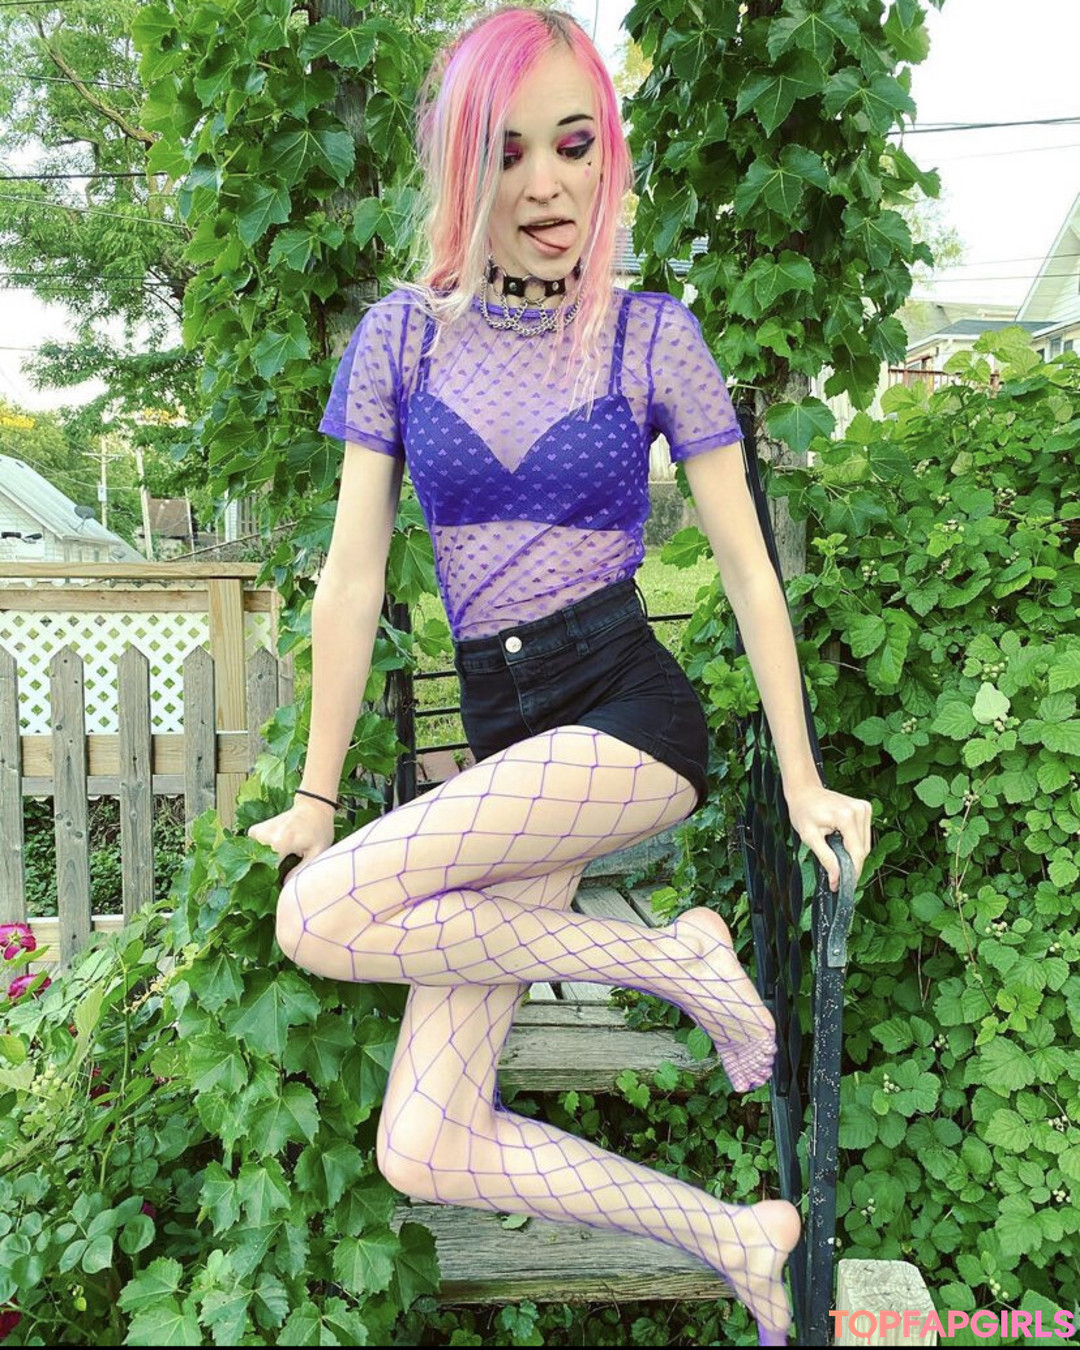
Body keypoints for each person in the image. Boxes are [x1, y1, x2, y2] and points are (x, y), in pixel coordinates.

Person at [249, 6, 873, 1344]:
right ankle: (733, 1233)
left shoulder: (653, 336)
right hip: (509, 741)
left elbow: (750, 571)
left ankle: (675, 964)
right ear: (462, 165)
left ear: (608, 157)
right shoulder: (402, 339)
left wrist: (805, 779)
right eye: (509, 149)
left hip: (625, 715)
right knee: (423, 1141)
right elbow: (350, 580)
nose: (545, 184)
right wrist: (313, 792)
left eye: (574, 146)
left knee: (319, 916)